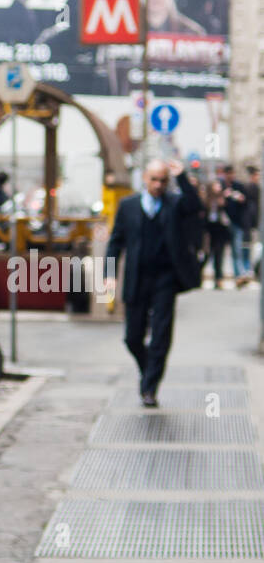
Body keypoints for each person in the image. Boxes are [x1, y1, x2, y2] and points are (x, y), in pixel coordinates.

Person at [104, 159, 203, 407]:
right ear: (144, 179)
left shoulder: (174, 203)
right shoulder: (128, 206)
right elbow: (115, 241)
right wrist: (109, 274)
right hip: (137, 277)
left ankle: (149, 387)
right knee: (132, 337)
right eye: (154, 180)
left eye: (163, 180)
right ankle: (148, 368)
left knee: (161, 334)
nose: (158, 185)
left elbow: (195, 206)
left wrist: (182, 177)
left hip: (166, 278)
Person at [218, 164, 251, 286]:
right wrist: (223, 196)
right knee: (219, 250)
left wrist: (239, 197)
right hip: (222, 223)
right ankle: (219, 276)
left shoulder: (238, 186)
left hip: (237, 222)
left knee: (237, 249)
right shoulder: (220, 186)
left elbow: (246, 202)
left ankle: (239, 275)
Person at [202, 178, 232, 289]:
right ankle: (197, 275)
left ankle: (218, 279)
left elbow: (228, 214)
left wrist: (224, 201)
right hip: (209, 230)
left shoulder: (223, 199)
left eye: (219, 186)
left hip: (220, 230)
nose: (218, 188)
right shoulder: (207, 200)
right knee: (207, 255)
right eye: (216, 185)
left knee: (219, 256)